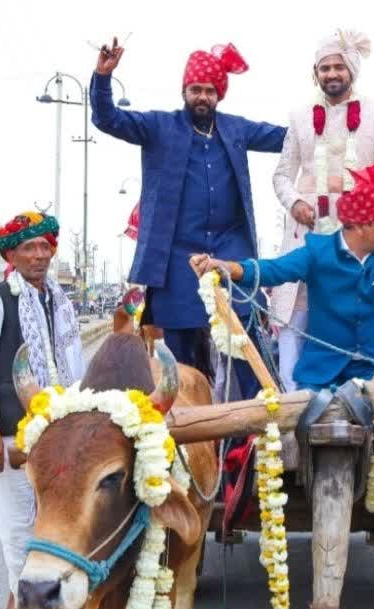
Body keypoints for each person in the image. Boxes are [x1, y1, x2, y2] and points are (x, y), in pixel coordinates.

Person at [89, 36, 285, 401]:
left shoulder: (236, 129)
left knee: (246, 344)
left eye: (209, 90)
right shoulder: (159, 126)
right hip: (176, 259)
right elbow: (107, 118)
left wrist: (328, 117)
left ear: (219, 94)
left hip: (231, 253)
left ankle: (259, 434)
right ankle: (185, 436)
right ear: (184, 90)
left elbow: (286, 139)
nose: (202, 97)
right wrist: (102, 78)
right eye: (195, 89)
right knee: (178, 361)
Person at [193, 163, 374, 389]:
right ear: (361, 226)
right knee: (308, 430)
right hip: (324, 375)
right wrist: (227, 267)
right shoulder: (317, 252)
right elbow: (273, 270)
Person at [0, 211, 85, 609]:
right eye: (28, 247)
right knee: (18, 527)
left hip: (56, 435)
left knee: (47, 524)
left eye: (45, 246)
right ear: (11, 255)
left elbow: (73, 364)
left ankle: (15, 605)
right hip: (13, 438)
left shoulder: (60, 301)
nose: (39, 254)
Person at [270, 29, 374, 393]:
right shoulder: (299, 117)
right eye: (324, 67)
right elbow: (282, 175)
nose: (331, 74)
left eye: (338, 67)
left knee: (360, 325)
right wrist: (295, 202)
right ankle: (296, 420)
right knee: (295, 325)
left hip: (359, 242)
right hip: (306, 237)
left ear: (352, 71)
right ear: (316, 73)